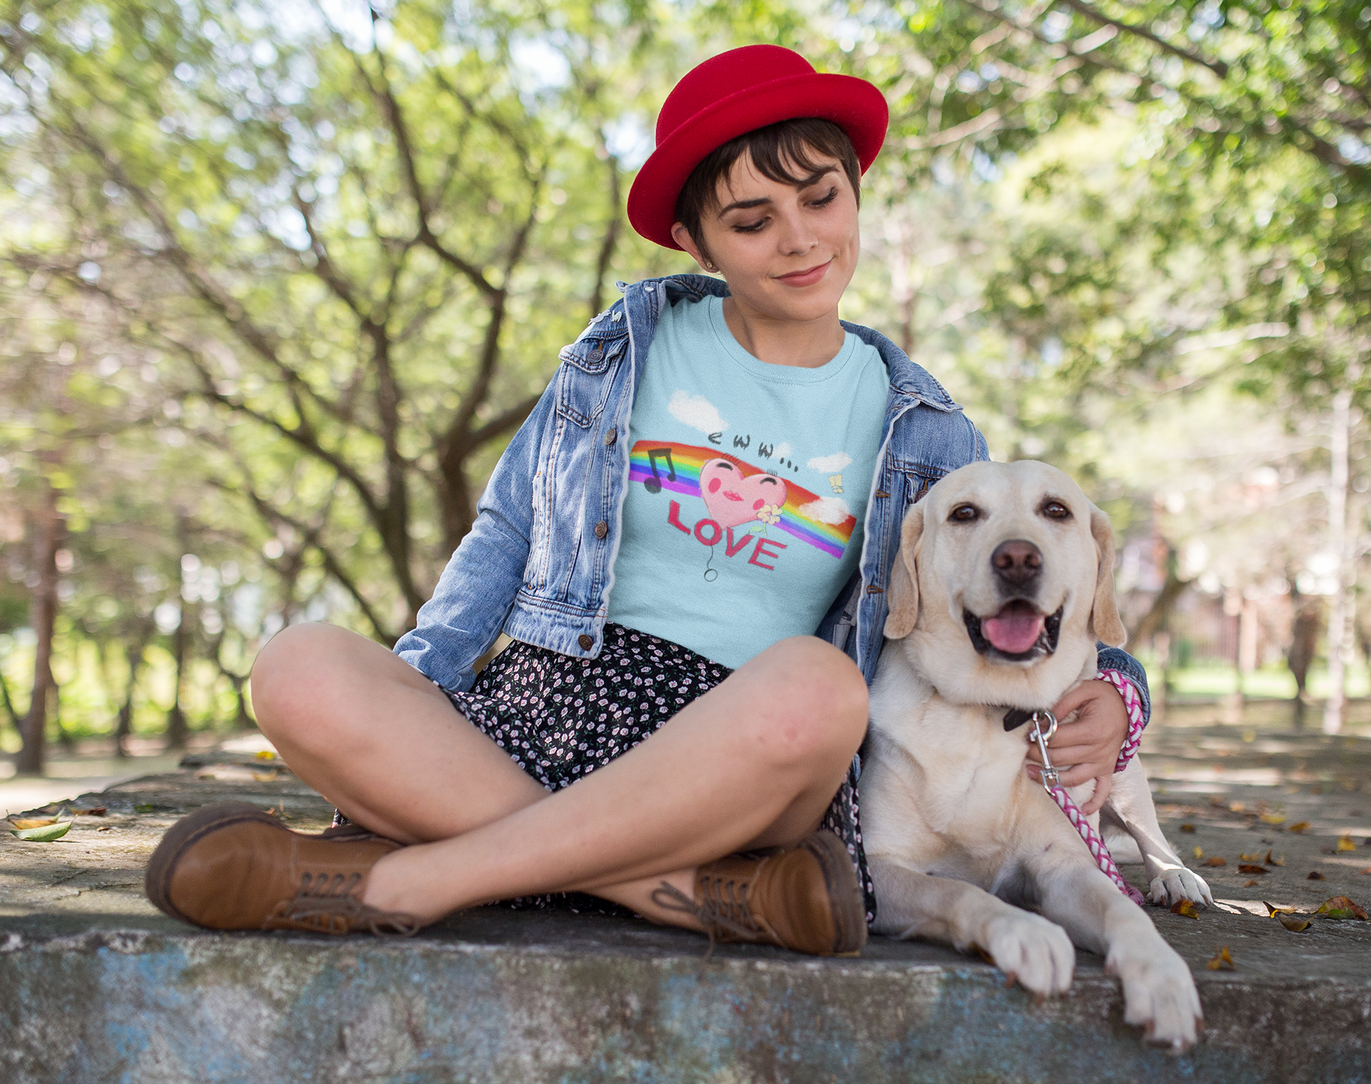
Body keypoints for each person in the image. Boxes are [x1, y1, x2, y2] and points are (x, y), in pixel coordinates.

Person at [144, 45, 1151, 955]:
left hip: (737, 747)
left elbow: (1023, 593)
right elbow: (504, 529)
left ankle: (412, 876)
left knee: (821, 689)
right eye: (750, 220)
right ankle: (684, 892)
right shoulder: (623, 347)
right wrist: (414, 698)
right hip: (543, 702)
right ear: (694, 238)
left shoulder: (927, 433)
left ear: (855, 192)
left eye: (820, 198)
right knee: (295, 665)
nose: (798, 240)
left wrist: (1116, 691)